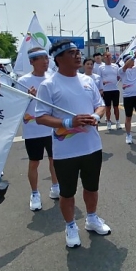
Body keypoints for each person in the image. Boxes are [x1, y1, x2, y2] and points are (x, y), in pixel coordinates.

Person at [35, 41, 110, 248]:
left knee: (91, 187)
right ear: (59, 59)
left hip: (92, 146)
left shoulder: (87, 80)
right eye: (72, 53)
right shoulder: (49, 85)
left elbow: (100, 105)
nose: (78, 56)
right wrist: (67, 122)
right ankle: (70, 226)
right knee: (67, 193)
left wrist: (96, 116)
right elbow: (40, 117)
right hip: (65, 151)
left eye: (78, 52)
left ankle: (92, 218)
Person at [18, 47, 60, 211]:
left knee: (54, 160)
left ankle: (55, 186)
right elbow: (18, 108)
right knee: (34, 162)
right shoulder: (23, 81)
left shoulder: (52, 78)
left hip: (51, 128)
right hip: (33, 130)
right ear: (31, 62)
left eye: (46, 58)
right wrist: (28, 97)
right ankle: (34, 193)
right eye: (40, 58)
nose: (45, 61)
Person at [98, 51, 121, 130]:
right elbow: (99, 79)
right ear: (104, 57)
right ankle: (108, 122)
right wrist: (102, 83)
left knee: (116, 107)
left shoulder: (116, 66)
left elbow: (119, 76)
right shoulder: (101, 67)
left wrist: (118, 78)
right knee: (108, 108)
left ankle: (118, 122)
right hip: (106, 90)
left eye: (110, 56)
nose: (108, 58)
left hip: (115, 89)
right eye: (107, 56)